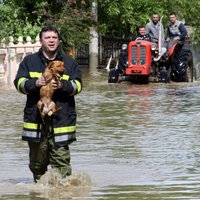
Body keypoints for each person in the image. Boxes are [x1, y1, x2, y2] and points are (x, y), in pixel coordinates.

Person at [13, 25, 82, 182]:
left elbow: (78, 86)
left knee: (62, 167)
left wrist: (63, 86)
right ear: (41, 41)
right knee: (38, 166)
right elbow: (19, 84)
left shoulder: (69, 63)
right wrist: (35, 83)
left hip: (61, 120)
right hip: (36, 121)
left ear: (58, 40)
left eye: (54, 38)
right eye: (48, 38)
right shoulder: (29, 62)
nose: (51, 40)